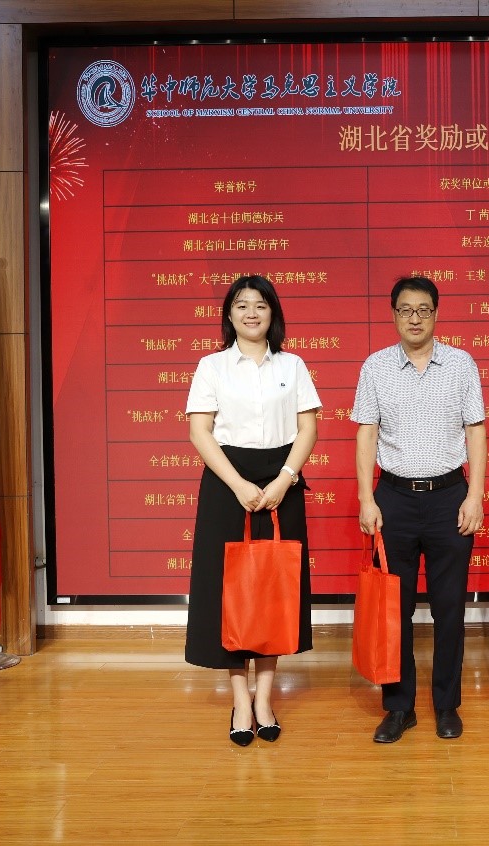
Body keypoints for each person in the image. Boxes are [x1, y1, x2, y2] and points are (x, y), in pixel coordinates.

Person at [184, 275, 321, 747]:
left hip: (282, 479)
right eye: (242, 305)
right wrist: (239, 485)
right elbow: (200, 431)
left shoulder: (293, 365)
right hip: (228, 482)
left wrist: (285, 479)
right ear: (229, 314)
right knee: (230, 593)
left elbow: (307, 428)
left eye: (260, 305)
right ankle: (240, 700)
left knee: (273, 589)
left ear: (272, 313)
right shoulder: (212, 366)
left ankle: (265, 698)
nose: (251, 313)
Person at [352, 276, 486, 743]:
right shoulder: (376, 366)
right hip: (394, 499)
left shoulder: (461, 364)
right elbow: (366, 432)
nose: (415, 318)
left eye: (423, 310)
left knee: (450, 609)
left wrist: (475, 495)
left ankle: (447, 705)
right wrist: (366, 498)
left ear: (436, 314)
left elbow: (476, 431)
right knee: (395, 609)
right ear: (394, 314)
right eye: (406, 310)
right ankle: (399, 707)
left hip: (450, 496)